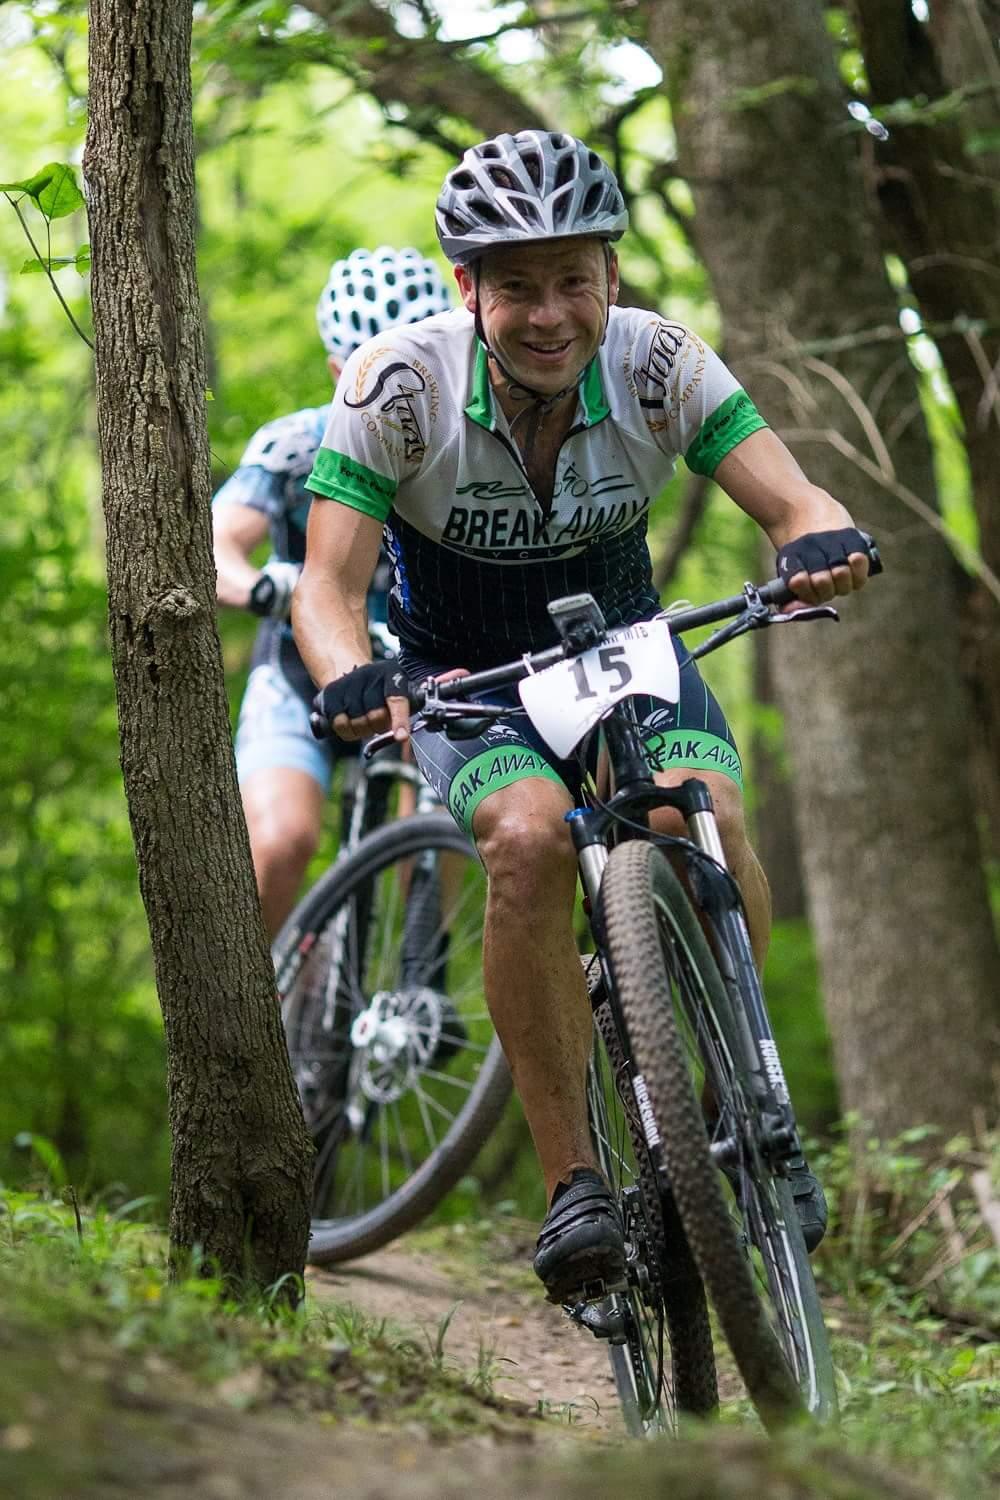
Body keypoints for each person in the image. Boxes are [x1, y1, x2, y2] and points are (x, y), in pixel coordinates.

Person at [294, 132, 874, 1302]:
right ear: (469, 288)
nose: (549, 313)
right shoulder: (395, 388)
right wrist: (353, 673)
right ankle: (573, 1188)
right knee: (526, 840)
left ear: (609, 272)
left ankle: (742, 1111)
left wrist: (814, 533)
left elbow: (790, 488)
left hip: (625, 647)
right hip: (465, 672)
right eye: (516, 286)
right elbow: (327, 590)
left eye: (574, 280)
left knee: (708, 812)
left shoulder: (660, 362)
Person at [212, 247, 451, 935]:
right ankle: (248, 1014)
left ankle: (417, 974)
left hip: (419, 668)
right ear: (335, 372)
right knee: (283, 841)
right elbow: (215, 541)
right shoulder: (296, 442)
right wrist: (261, 586)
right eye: (366, 372)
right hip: (300, 677)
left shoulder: (463, 448)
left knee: (436, 821)